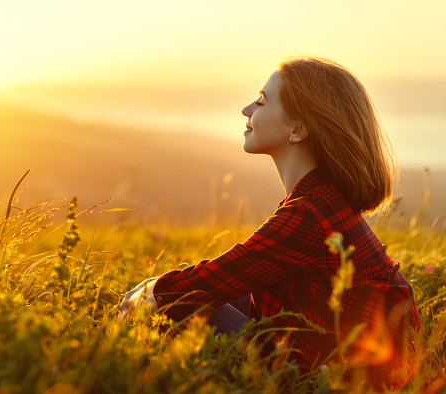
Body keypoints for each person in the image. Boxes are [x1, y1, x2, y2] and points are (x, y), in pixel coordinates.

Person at [118, 57, 421, 388]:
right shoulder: (323, 197)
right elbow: (235, 276)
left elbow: (216, 278)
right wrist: (157, 286)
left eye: (261, 101)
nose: (246, 109)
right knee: (186, 287)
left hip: (328, 381)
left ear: (299, 129)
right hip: (341, 363)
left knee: (179, 303)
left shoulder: (310, 212)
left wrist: (149, 294)